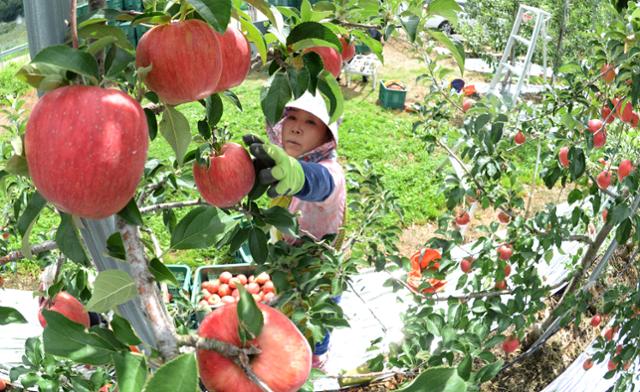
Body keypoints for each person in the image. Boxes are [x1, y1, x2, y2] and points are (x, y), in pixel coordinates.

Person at [243, 91, 346, 368]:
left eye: (311, 122)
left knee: (317, 317)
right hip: (287, 258)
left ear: (327, 137)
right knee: (288, 311)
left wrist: (298, 174)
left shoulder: (330, 173)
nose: (297, 126)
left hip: (318, 270)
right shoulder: (281, 165)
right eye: (292, 117)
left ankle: (316, 359)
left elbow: (318, 183)